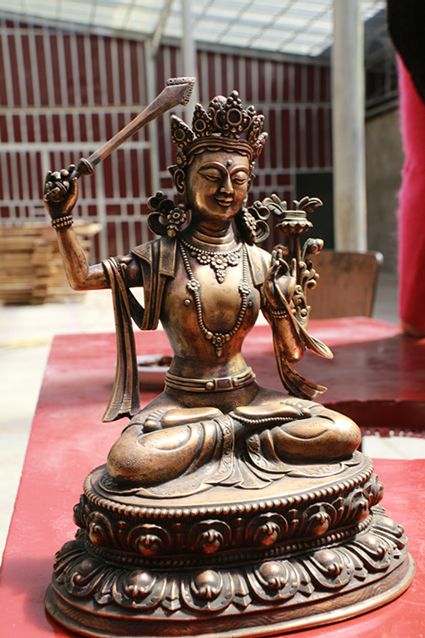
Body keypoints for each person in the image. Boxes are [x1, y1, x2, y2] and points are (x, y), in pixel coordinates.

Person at [43, 91, 360, 497]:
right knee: (130, 460)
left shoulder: (259, 261)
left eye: (239, 179)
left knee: (341, 431)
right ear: (183, 181)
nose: (227, 189)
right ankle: (238, 436)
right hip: (182, 401)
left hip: (248, 396)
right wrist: (62, 218)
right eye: (212, 176)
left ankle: (223, 434)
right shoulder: (162, 257)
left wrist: (285, 305)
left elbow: (292, 355)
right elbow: (82, 278)